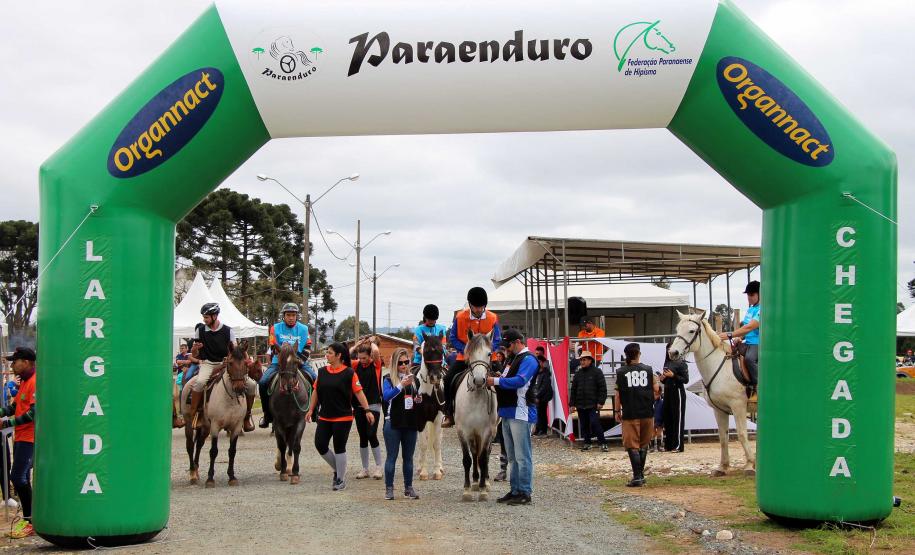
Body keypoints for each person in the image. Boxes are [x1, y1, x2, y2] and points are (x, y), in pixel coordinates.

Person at [306, 342, 375, 491]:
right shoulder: (322, 372)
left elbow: (358, 392)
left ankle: (340, 479)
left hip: (343, 417)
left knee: (339, 447)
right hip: (324, 416)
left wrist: (367, 410)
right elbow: (316, 391)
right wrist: (311, 410)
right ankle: (338, 469)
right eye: (327, 352)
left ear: (339, 356)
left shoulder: (349, 373)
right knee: (320, 444)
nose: (327, 355)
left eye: (330, 353)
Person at [487, 329, 538, 506]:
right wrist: (499, 377)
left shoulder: (529, 359)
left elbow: (520, 381)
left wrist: (496, 381)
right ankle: (515, 489)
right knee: (512, 456)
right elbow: (508, 378)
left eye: (508, 345)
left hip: (521, 411)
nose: (506, 350)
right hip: (507, 411)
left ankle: (525, 491)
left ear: (517, 342)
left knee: (522, 455)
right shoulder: (512, 359)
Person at [189, 303, 257, 432]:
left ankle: (246, 417)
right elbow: (195, 354)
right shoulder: (200, 330)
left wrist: (241, 360)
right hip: (208, 363)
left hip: (227, 363)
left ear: (215, 316)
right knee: (200, 382)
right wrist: (194, 350)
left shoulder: (228, 331)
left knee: (252, 385)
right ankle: (196, 415)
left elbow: (235, 350)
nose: (204, 320)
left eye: (207, 317)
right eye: (204, 317)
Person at [442, 287, 502, 428]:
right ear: (470, 305)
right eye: (476, 307)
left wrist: (486, 350)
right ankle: (449, 413)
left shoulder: (493, 317)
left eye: (481, 307)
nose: (479, 309)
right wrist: (467, 350)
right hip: (465, 357)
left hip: (488, 358)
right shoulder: (460, 317)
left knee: (503, 377)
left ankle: (503, 412)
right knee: (447, 379)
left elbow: (498, 339)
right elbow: (453, 337)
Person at [0, 348, 37, 538]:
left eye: (15, 361)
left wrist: (7, 422)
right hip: (21, 437)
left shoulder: (35, 382)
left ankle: (30, 521)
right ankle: (30, 519)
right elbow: (15, 406)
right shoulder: (23, 382)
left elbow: (33, 414)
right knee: (20, 477)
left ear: (27, 362)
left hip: (30, 438)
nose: (12, 365)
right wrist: (2, 412)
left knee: (18, 477)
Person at [259, 303, 313, 428]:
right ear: (283, 316)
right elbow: (273, 346)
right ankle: (267, 414)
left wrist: (300, 361)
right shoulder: (275, 328)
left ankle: (314, 411)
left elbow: (307, 347)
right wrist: (283, 360)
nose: (291, 317)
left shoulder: (304, 329)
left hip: (298, 362)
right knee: (262, 382)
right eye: (288, 315)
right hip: (279, 363)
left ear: (297, 316)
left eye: (293, 315)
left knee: (315, 378)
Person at [614, 343, 660, 487]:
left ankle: (637, 476)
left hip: (630, 413)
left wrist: (617, 411)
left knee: (631, 444)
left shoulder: (621, 372)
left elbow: (617, 395)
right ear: (639, 354)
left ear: (626, 355)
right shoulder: (648, 370)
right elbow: (657, 390)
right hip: (647, 412)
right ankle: (640, 475)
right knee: (643, 443)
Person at [381, 348, 420, 500]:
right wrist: (400, 385)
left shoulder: (414, 379)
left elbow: (416, 399)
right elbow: (386, 397)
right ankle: (389, 488)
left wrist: (418, 400)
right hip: (393, 422)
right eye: (400, 363)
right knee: (392, 456)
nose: (404, 365)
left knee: (408, 457)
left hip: (410, 422)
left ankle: (408, 487)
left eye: (406, 362)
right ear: (395, 364)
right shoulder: (388, 379)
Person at [719, 280, 760, 391]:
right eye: (748, 295)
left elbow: (749, 327)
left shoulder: (762, 310)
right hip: (748, 342)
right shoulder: (750, 309)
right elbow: (745, 329)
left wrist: (730, 334)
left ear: (760, 294)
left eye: (752, 295)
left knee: (750, 359)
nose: (749, 297)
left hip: (757, 343)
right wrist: (740, 337)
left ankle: (758, 387)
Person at [352, 343, 383, 479]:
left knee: (371, 434)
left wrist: (371, 342)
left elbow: (376, 351)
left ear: (370, 356)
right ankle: (365, 468)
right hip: (359, 406)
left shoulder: (376, 365)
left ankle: (378, 467)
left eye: (364, 358)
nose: (362, 360)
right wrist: (357, 345)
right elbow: (347, 355)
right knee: (363, 436)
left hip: (373, 405)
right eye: (359, 358)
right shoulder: (355, 365)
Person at [568, 351, 608, 452]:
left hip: (593, 404)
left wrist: (601, 402)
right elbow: (573, 390)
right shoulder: (578, 374)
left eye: (584, 359)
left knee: (595, 423)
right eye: (581, 360)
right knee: (584, 425)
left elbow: (602, 388)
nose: (582, 362)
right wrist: (572, 404)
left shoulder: (597, 372)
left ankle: (603, 443)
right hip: (581, 404)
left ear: (590, 360)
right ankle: (587, 443)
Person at [660, 350, 689, 452]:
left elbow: (685, 379)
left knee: (678, 419)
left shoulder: (681, 363)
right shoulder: (667, 362)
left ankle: (678, 445)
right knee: (668, 418)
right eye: (667, 349)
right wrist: (662, 378)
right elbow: (664, 380)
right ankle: (669, 445)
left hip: (678, 392)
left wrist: (673, 376)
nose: (669, 352)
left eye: (670, 349)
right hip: (668, 392)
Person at [532, 346, 554, 437]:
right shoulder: (537, 372)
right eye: (536, 354)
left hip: (543, 396)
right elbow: (535, 384)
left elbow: (544, 386)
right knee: (538, 413)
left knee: (542, 413)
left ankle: (543, 430)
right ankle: (538, 429)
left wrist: (537, 396)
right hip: (538, 396)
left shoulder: (545, 371)